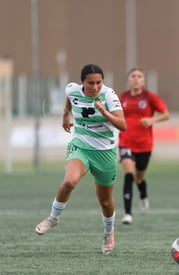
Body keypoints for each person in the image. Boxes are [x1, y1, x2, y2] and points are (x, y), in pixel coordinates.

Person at [35, 64, 126, 255]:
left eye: (99, 82)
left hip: (105, 152)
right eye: (90, 83)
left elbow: (122, 124)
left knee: (105, 201)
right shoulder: (72, 89)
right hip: (81, 146)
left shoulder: (109, 95)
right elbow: (70, 101)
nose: (95, 87)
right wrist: (64, 116)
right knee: (69, 181)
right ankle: (53, 218)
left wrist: (105, 112)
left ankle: (108, 233)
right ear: (82, 82)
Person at [118, 68, 170, 224]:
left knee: (139, 178)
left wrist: (151, 120)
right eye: (133, 76)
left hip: (144, 144)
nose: (136, 79)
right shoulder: (122, 98)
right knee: (129, 174)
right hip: (125, 142)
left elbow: (166, 114)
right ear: (128, 80)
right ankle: (127, 213)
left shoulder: (149, 97)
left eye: (139, 76)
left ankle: (143, 195)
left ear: (143, 80)